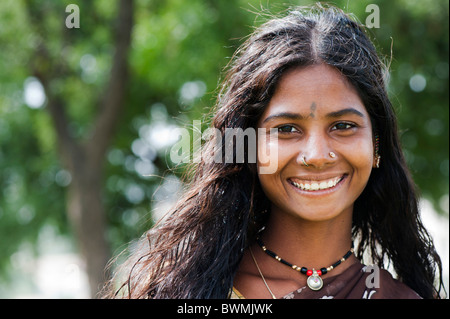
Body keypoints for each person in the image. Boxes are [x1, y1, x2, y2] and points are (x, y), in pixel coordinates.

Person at [102, 4, 444, 299]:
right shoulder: (190, 290)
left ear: (376, 144)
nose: (316, 155)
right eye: (286, 129)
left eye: (342, 126)